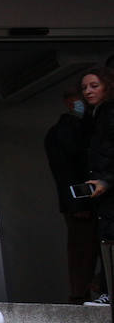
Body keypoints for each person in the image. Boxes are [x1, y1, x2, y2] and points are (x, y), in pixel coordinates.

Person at [47, 89, 98, 303]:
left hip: (83, 202)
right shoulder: (67, 131)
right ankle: (80, 294)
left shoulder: (84, 126)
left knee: (86, 249)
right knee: (83, 250)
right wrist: (78, 205)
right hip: (81, 204)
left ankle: (85, 292)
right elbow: (67, 171)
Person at [82, 67, 114, 306]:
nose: (88, 91)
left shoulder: (109, 114)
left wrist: (107, 180)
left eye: (94, 85)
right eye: (84, 88)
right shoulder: (96, 115)